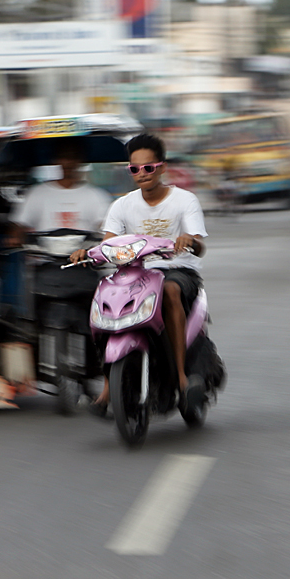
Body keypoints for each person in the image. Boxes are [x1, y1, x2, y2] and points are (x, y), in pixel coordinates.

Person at [71, 133, 208, 417]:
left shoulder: (185, 200)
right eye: (134, 168)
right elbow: (108, 244)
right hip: (135, 275)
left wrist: (190, 241)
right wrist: (86, 252)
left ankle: (182, 379)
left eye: (148, 167)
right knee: (103, 297)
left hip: (177, 272)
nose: (141, 174)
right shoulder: (121, 205)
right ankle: (109, 389)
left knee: (170, 290)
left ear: (162, 167)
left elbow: (199, 242)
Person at [8, 141, 111, 243]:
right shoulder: (36, 193)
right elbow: (20, 223)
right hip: (43, 256)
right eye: (63, 157)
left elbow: (104, 226)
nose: (68, 162)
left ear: (80, 160)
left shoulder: (96, 195)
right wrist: (15, 238)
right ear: (55, 160)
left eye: (72, 157)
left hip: (83, 255)